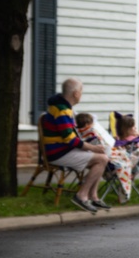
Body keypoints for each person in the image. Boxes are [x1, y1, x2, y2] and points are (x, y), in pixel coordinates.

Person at [42, 78, 111, 212]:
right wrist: (93, 147)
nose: (81, 94)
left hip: (59, 149)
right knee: (102, 158)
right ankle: (81, 196)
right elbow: (71, 140)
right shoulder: (62, 110)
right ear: (75, 94)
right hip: (58, 152)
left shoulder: (60, 106)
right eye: (81, 92)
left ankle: (93, 196)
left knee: (101, 157)